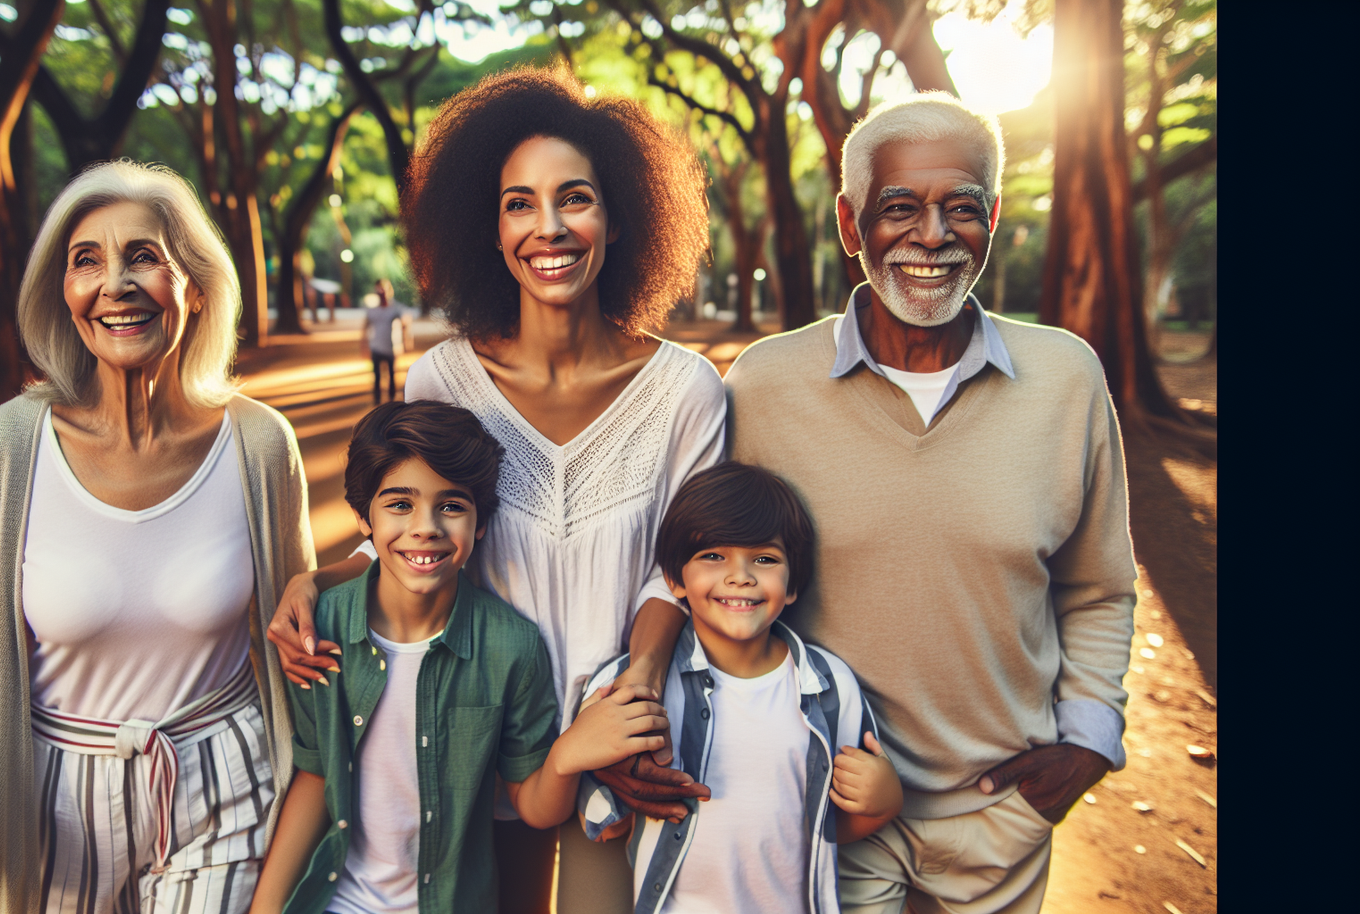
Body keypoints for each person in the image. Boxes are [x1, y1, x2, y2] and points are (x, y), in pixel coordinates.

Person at [265, 67, 722, 913]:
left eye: (574, 198)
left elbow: (683, 566)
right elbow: (419, 531)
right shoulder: (444, 376)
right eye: (519, 203)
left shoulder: (685, 390)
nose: (547, 227)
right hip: (475, 732)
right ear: (491, 224)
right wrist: (316, 581)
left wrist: (637, 692)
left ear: (619, 216)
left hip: (613, 750)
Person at [723, 94, 1138, 914]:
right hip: (823, 814)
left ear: (992, 217)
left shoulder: (1067, 378)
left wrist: (1089, 741)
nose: (933, 234)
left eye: (962, 208)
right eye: (900, 208)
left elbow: (1098, 587)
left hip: (1002, 816)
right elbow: (711, 580)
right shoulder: (764, 386)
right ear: (850, 225)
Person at [0, 160, 317, 914]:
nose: (115, 283)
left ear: (193, 288)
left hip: (225, 785)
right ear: (63, 293)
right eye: (86, 261)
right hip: (54, 807)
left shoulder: (261, 445)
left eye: (143, 256)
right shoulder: (5, 449)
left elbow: (299, 628)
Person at [248, 401, 672, 914]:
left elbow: (534, 807)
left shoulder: (511, 647)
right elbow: (315, 776)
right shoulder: (326, 627)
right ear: (363, 516)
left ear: (481, 523)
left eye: (451, 506)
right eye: (399, 504)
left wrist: (567, 755)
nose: (425, 527)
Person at [577, 461, 903, 914]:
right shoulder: (632, 689)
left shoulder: (829, 687)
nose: (741, 576)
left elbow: (825, 827)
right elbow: (603, 822)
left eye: (765, 559)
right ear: (674, 581)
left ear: (792, 586)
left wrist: (883, 803)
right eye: (713, 556)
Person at [362, 278, 407, 404]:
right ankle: (377, 403)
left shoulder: (394, 309)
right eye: (379, 289)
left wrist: (405, 343)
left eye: (384, 288)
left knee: (392, 376)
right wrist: (364, 347)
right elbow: (364, 328)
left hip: (390, 348)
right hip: (375, 347)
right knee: (377, 377)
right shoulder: (372, 311)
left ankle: (391, 402)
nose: (381, 291)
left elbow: (404, 325)